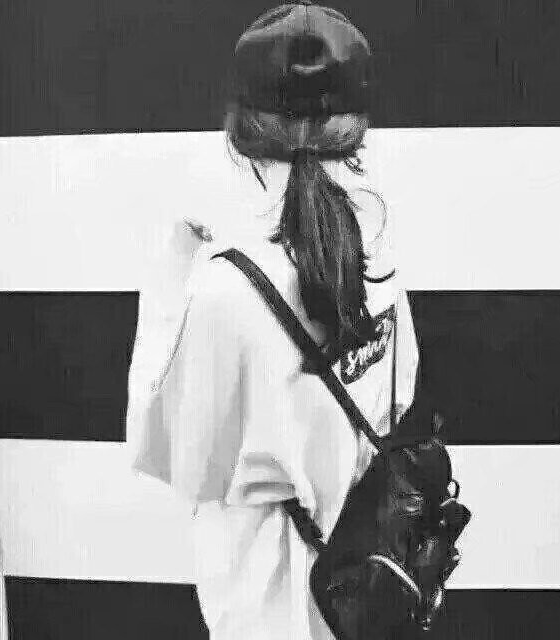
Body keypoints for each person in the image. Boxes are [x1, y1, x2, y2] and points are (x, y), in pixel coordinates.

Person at [126, 2, 419, 638]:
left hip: (267, 600)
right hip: (365, 586)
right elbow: (397, 403)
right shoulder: (378, 251)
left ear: (243, 129)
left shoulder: (224, 289)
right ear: (352, 126)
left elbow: (180, 457)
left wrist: (170, 285)